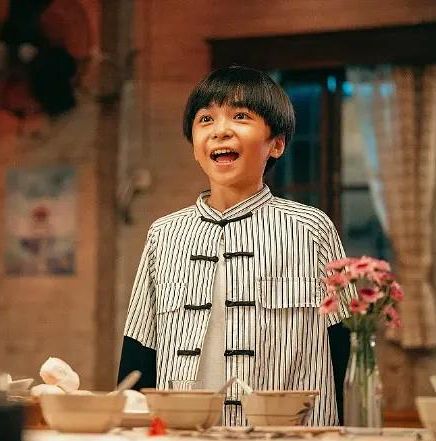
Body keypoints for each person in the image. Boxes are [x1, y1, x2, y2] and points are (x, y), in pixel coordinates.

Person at [118, 65, 354, 426]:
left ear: (277, 143)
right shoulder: (163, 235)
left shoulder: (311, 230)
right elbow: (138, 352)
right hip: (183, 434)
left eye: (240, 116)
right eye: (206, 119)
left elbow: (347, 347)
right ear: (194, 145)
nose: (220, 130)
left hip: (287, 435)